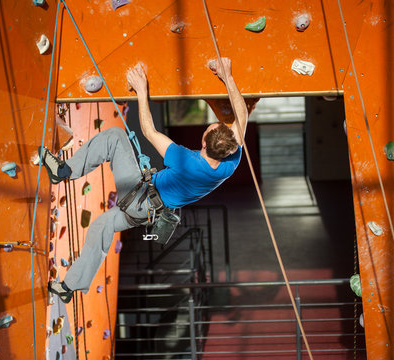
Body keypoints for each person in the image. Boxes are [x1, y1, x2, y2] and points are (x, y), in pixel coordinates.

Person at [40, 58, 248, 303]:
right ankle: (68, 288)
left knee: (116, 137)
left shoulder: (186, 161)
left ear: (203, 143)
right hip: (147, 211)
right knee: (101, 227)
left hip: (140, 194)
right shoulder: (229, 162)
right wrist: (228, 77)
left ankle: (64, 171)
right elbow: (241, 115)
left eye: (210, 127)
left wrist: (141, 90)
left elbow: (149, 131)